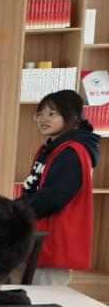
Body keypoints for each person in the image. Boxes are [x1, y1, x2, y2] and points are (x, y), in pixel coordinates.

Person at [22, 90, 100, 286]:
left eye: (52, 113)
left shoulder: (71, 152)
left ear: (72, 117)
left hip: (54, 242)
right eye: (40, 113)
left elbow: (52, 198)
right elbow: (32, 190)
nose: (43, 119)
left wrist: (14, 213)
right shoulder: (49, 149)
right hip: (36, 237)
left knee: (43, 297)